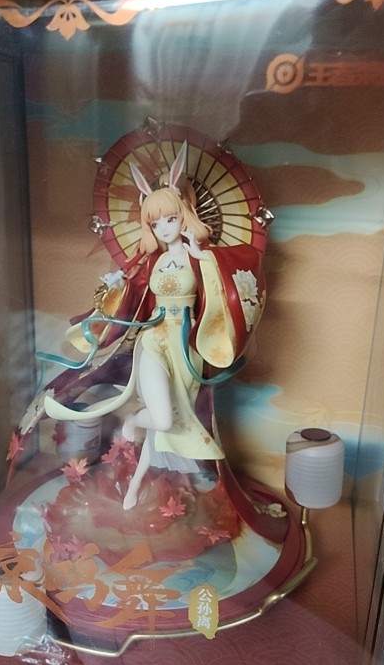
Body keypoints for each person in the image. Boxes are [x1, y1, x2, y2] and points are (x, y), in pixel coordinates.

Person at [42, 143, 267, 511]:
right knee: (160, 418)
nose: (163, 228)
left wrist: (202, 257)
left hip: (186, 347)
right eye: (155, 223)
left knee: (172, 421)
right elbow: (135, 294)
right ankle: (133, 420)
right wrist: (117, 286)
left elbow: (225, 286)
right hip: (154, 341)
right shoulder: (153, 262)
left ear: (184, 215)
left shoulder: (199, 257)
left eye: (170, 219)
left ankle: (133, 487)